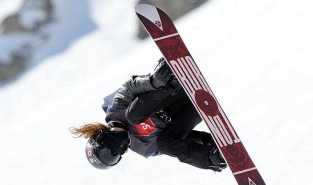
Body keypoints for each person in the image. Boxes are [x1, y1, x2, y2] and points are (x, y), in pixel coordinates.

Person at [70, 58, 227, 172]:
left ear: (102, 136)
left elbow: (130, 87)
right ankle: (213, 157)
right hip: (191, 109)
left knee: (132, 116)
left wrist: (154, 81)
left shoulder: (115, 110)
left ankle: (174, 79)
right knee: (163, 144)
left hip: (173, 89)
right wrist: (210, 143)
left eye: (109, 148)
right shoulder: (144, 147)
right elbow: (181, 139)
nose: (117, 148)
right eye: (114, 156)